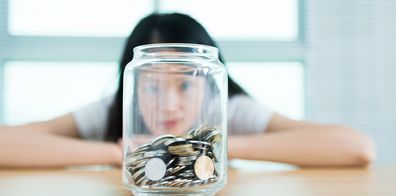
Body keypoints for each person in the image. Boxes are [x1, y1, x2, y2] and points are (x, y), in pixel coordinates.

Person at [0, 13, 375, 168]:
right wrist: (118, 153)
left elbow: (356, 147)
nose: (169, 103)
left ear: (210, 83)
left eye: (184, 83)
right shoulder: (113, 111)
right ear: (131, 84)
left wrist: (216, 147)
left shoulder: (229, 109)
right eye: (151, 86)